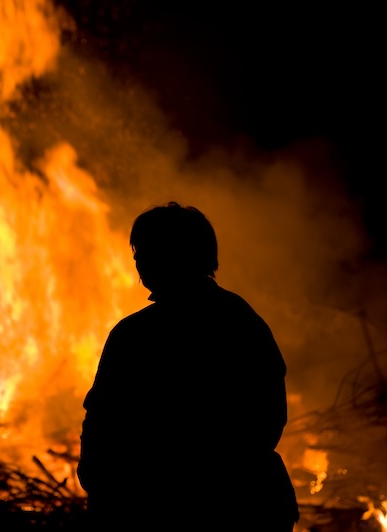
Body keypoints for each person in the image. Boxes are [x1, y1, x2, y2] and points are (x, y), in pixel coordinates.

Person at [77, 202, 300, 530]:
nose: (137, 260)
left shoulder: (137, 335)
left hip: (173, 508)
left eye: (145, 250)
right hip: (247, 503)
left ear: (177, 253)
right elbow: (268, 420)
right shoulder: (242, 321)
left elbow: (103, 423)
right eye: (137, 251)